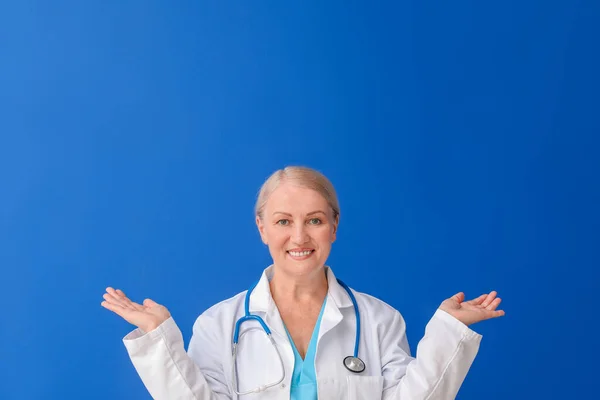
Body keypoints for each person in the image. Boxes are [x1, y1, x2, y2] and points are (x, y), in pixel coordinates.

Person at [101, 166, 505, 400]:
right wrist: (158, 338)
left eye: (314, 220)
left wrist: (449, 331)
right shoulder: (218, 324)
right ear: (261, 228)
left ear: (334, 226)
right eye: (283, 221)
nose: (299, 237)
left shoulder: (380, 320)